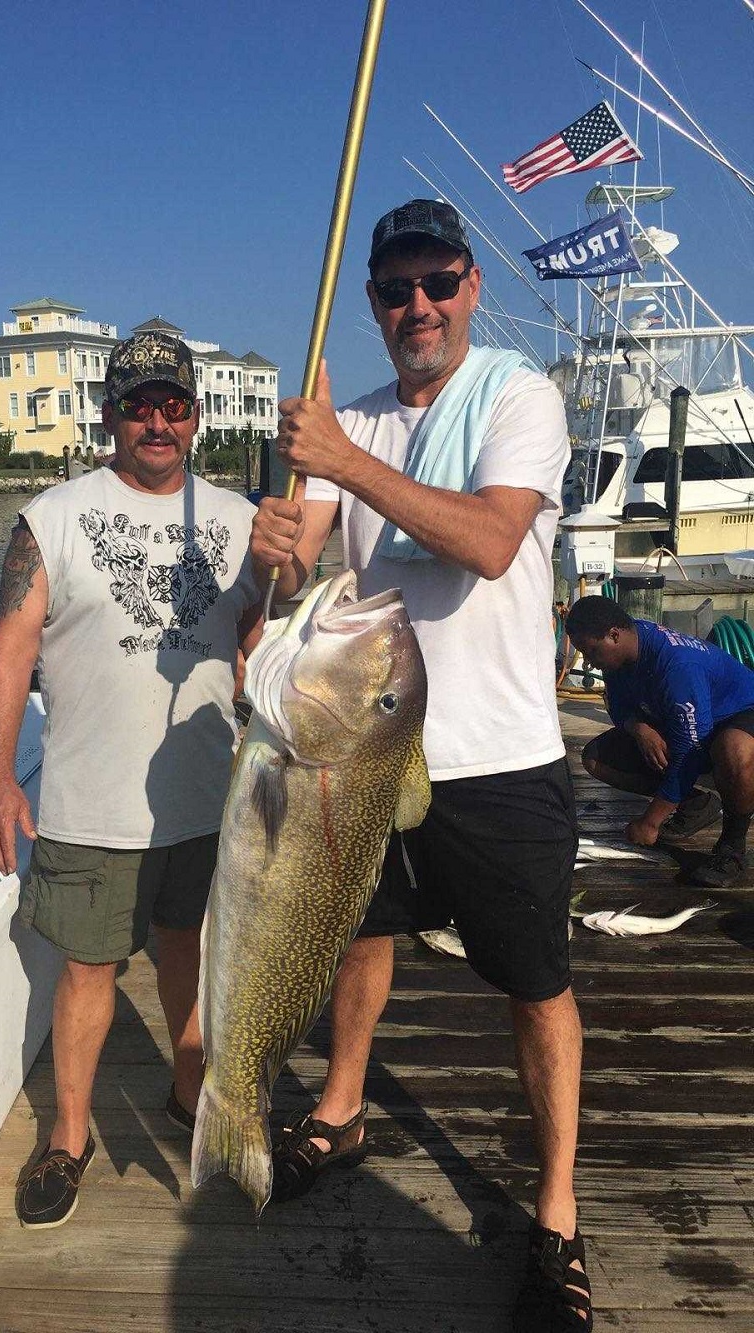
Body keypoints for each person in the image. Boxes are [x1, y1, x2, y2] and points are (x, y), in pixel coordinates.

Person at [251, 199, 589, 1330]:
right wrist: (280, 549)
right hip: (366, 749)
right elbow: (304, 580)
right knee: (361, 938)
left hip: (499, 759)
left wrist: (345, 460)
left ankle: (555, 1212)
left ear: (471, 285)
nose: (418, 308)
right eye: (395, 291)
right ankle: (342, 1114)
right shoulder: (344, 422)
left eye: (437, 282)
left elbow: (490, 541)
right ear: (371, 304)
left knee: (534, 985)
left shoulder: (518, 394)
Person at [0, 331, 262, 1230]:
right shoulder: (53, 515)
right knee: (88, 970)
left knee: (190, 949)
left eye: (174, 404)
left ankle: (191, 1096)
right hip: (90, 803)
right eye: (139, 402)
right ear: (111, 413)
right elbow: (10, 649)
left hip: (204, 798)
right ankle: (69, 1136)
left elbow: (259, 629)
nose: (157, 420)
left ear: (197, 417)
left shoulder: (240, 519)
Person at [566, 595, 754, 887]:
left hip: (737, 715)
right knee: (596, 758)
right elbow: (617, 707)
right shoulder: (621, 654)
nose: (589, 662)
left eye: (590, 651)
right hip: (687, 722)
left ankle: (732, 847)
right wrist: (640, 728)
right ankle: (696, 803)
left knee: (734, 751)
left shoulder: (677, 666)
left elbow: (688, 752)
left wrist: (650, 822)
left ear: (614, 635)